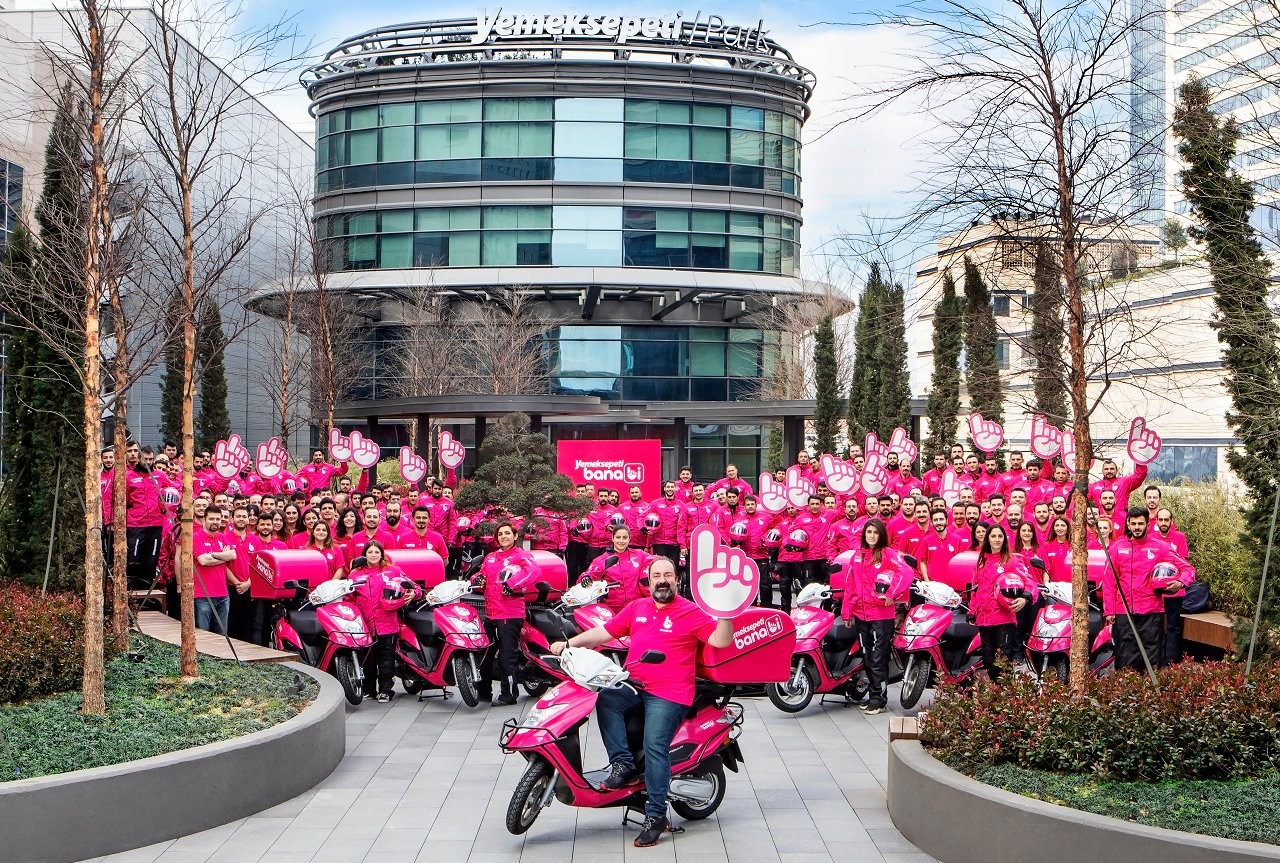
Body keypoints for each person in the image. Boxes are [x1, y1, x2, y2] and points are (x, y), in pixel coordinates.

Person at [549, 558, 733, 848]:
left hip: (670, 693)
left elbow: (720, 641)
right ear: (648, 581)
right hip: (635, 685)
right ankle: (623, 765)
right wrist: (569, 644)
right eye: (656, 575)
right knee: (605, 697)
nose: (662, 580)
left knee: (654, 744)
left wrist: (727, 614)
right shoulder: (638, 607)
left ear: (677, 580)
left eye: (668, 575)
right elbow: (604, 632)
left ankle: (656, 814)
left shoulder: (690, 611)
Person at [1103, 507, 1195, 671]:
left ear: (1147, 524)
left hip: (1151, 612)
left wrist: (1180, 583)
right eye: (1133, 524)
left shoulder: (1161, 547)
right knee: (1125, 661)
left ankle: (1150, 694)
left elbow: (1188, 569)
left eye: (1140, 523)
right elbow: (1109, 582)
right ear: (1128, 525)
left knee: (1151, 662)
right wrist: (1109, 611)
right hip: (1124, 613)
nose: (1137, 527)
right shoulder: (1117, 548)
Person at [841, 519, 912, 714]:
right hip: (861, 615)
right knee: (867, 656)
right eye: (869, 532)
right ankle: (874, 696)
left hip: (881, 616)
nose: (871, 536)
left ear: (881, 535)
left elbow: (906, 573)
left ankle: (878, 700)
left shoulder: (889, 554)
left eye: (875, 532)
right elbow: (850, 586)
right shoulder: (858, 556)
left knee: (878, 657)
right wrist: (846, 612)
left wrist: (891, 594)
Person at [477, 522, 541, 706]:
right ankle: (483, 692)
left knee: (507, 655)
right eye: (500, 534)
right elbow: (480, 577)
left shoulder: (521, 555)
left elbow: (534, 572)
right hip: (490, 612)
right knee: (485, 653)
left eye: (507, 533)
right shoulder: (490, 557)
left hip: (510, 613)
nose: (504, 536)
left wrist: (512, 585)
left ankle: (509, 694)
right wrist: (477, 579)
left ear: (515, 536)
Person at [350, 541, 417, 702]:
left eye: (376, 552)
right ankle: (368, 690)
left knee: (386, 659)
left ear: (382, 554)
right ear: (364, 554)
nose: (373, 555)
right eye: (370, 552)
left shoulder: (393, 570)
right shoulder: (355, 574)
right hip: (364, 624)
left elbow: (411, 585)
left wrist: (414, 593)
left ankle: (386, 690)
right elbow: (348, 596)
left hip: (387, 623)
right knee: (367, 659)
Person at [969, 523, 1030, 681]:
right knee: (988, 660)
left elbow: (1029, 582)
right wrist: (971, 611)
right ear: (988, 538)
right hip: (983, 619)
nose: (997, 539)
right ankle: (996, 697)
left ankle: (1006, 699)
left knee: (1003, 661)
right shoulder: (981, 560)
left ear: (1005, 539)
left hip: (1003, 619)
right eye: (993, 536)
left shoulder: (1012, 560)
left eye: (1000, 536)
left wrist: (1026, 597)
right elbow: (976, 589)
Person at [584, 526, 656, 610]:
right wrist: (585, 578)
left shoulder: (639, 555)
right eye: (618, 537)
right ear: (612, 538)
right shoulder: (602, 560)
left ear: (629, 539)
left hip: (637, 607)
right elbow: (589, 574)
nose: (621, 541)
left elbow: (658, 561)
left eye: (624, 537)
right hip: (612, 609)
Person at [192, 506, 240, 634]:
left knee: (222, 634)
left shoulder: (222, 537)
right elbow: (203, 560)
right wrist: (222, 556)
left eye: (218, 519)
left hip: (223, 594)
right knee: (203, 634)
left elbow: (233, 555)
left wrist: (211, 555)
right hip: (202, 595)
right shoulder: (196, 537)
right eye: (211, 518)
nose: (215, 521)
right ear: (204, 520)